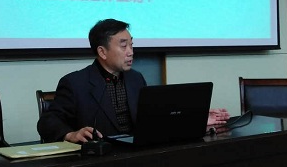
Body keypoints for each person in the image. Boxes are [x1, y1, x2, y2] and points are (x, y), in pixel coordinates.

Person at [37, 18, 230, 143]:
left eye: (132, 45)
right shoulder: (75, 83)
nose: (131, 52)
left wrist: (196, 118)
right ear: (102, 52)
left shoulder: (136, 79)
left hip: (136, 156)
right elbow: (47, 122)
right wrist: (71, 134)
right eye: (124, 46)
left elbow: (153, 120)